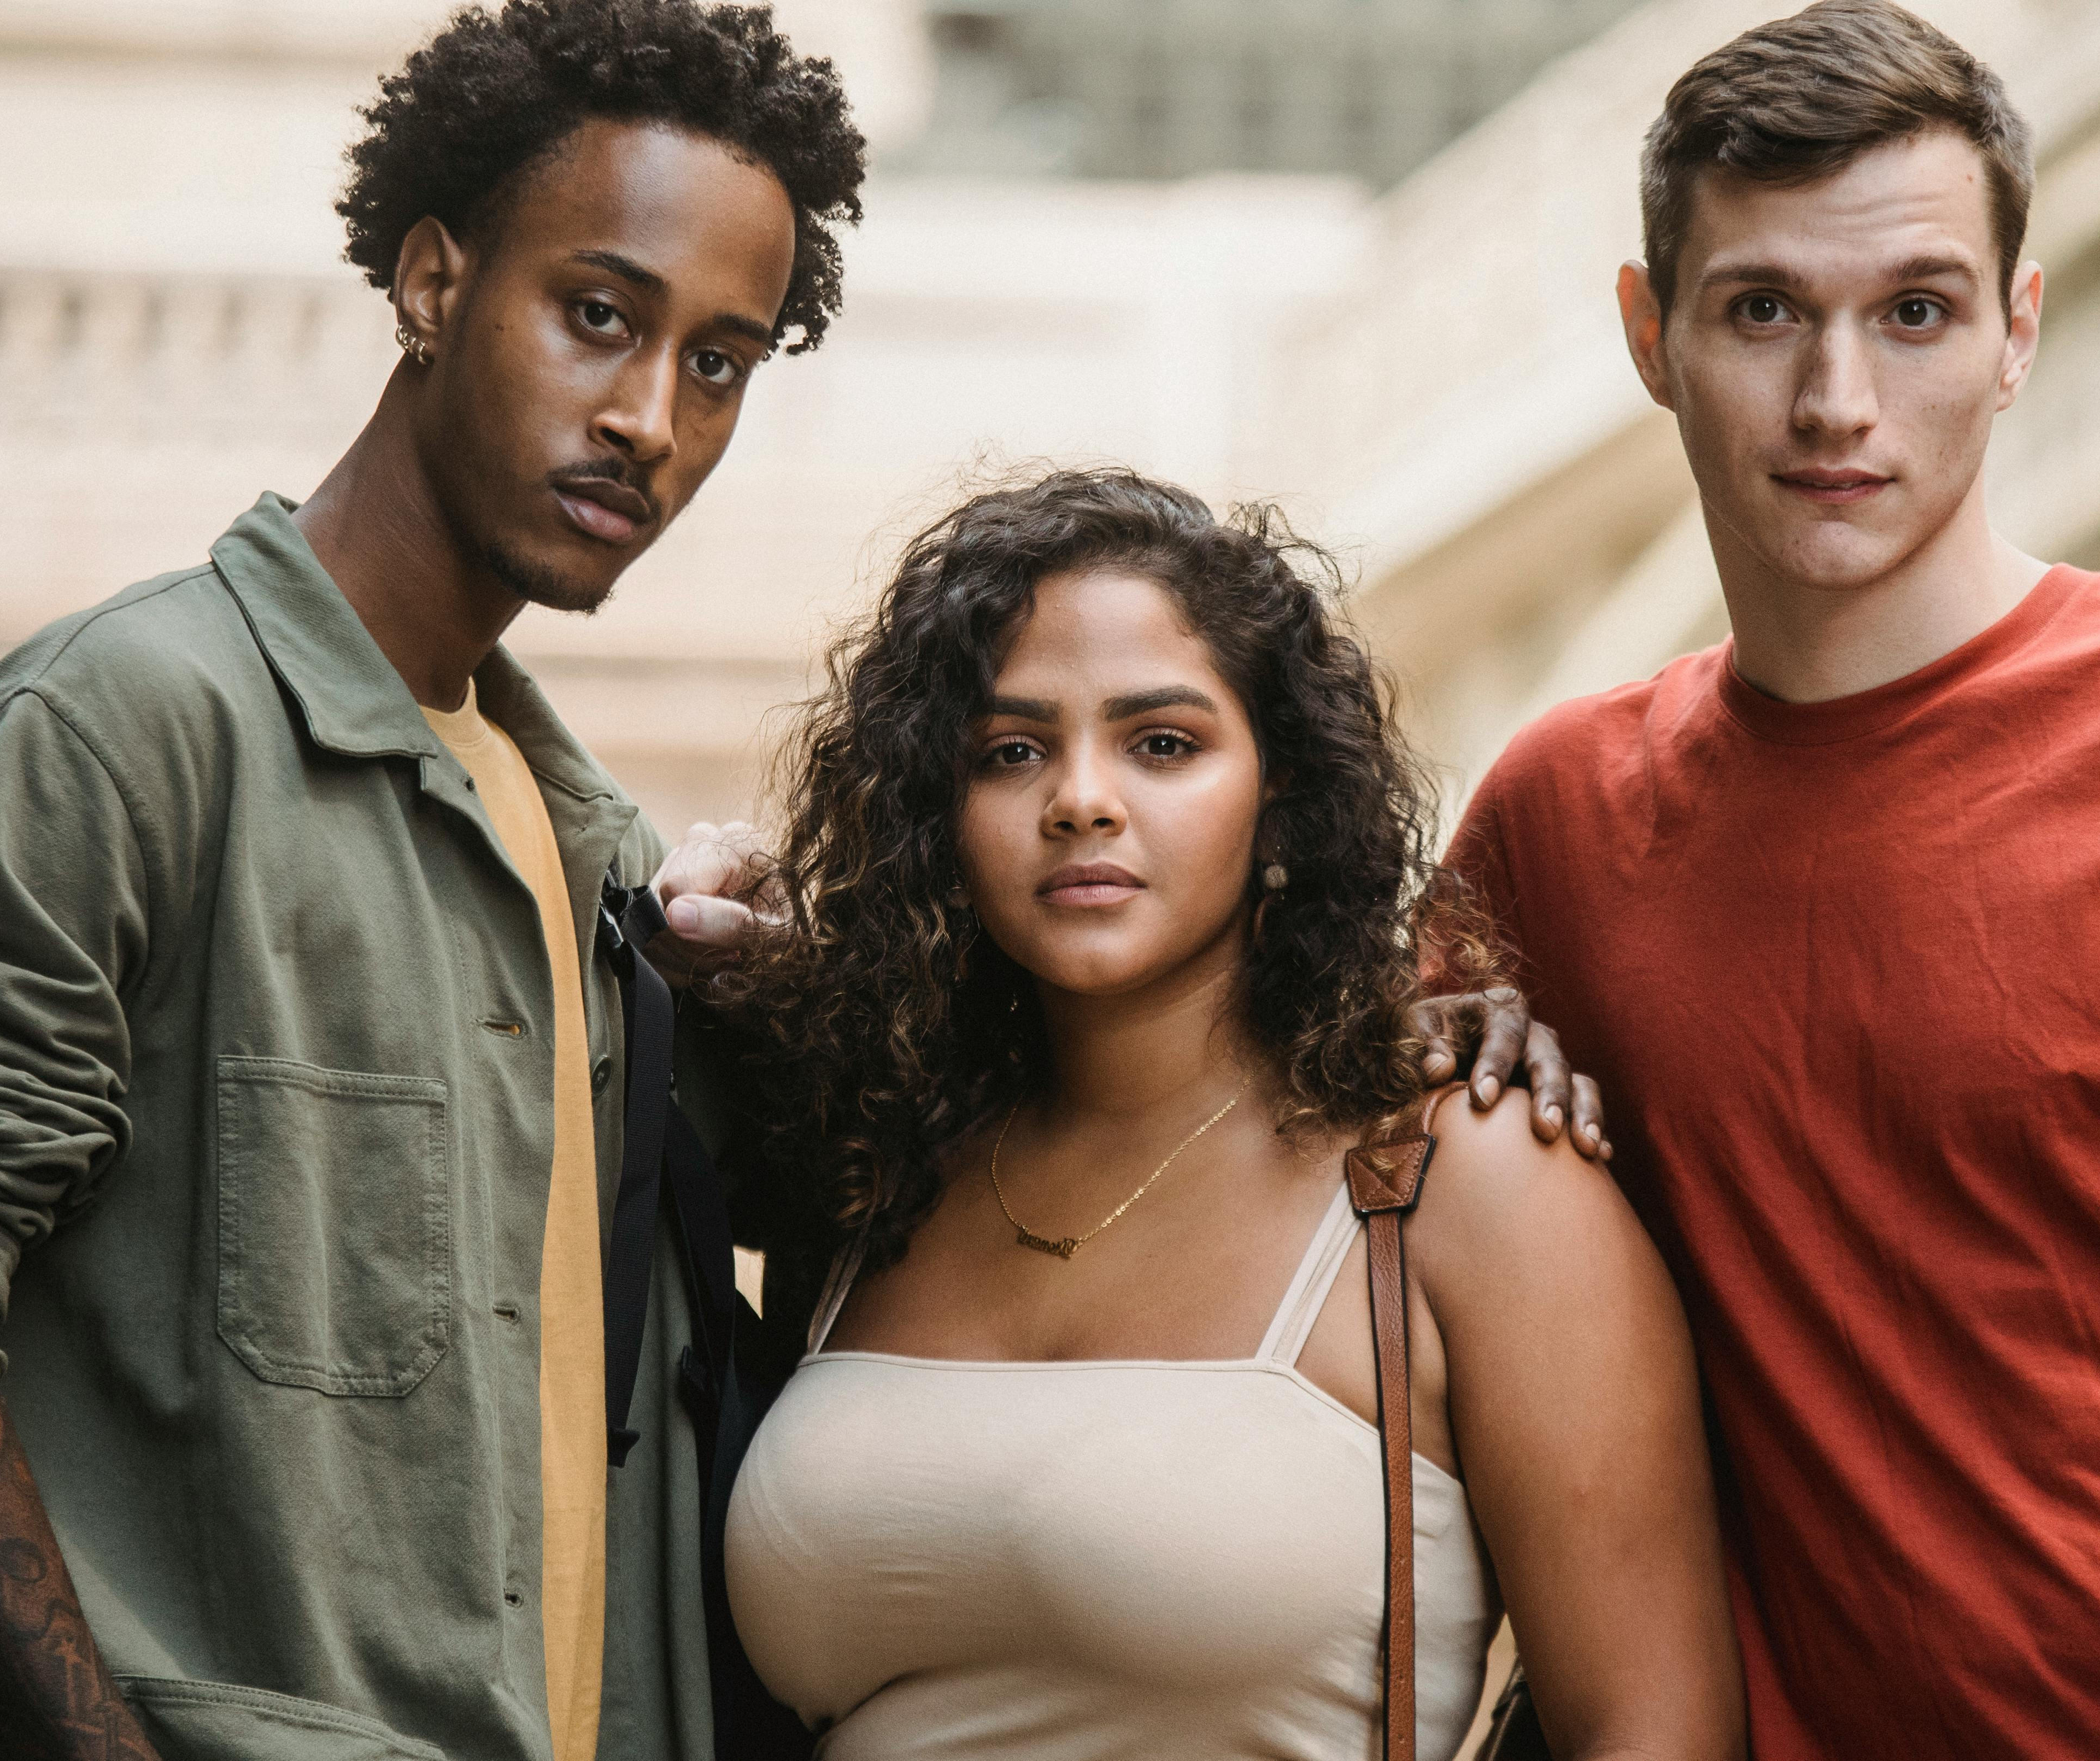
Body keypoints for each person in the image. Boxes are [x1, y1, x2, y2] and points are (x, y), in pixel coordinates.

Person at [1440, 3, 2100, 1757]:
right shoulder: (1557, 821)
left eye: (1913, 312)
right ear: (1650, 333)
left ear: (2017, 330)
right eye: (1761, 308)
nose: (1835, 400)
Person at [0, 4, 864, 1756]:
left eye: (720, 362)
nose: (648, 417)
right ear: (429, 281)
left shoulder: (593, 853)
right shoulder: (120, 733)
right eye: (600, 314)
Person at [704, 468, 1745, 1759]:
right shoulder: (876, 1173)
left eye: (1161, 744)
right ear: (938, 815)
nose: (1080, 798)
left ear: (1279, 803)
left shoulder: (1461, 1178)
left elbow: (1656, 1728)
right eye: (1010, 750)